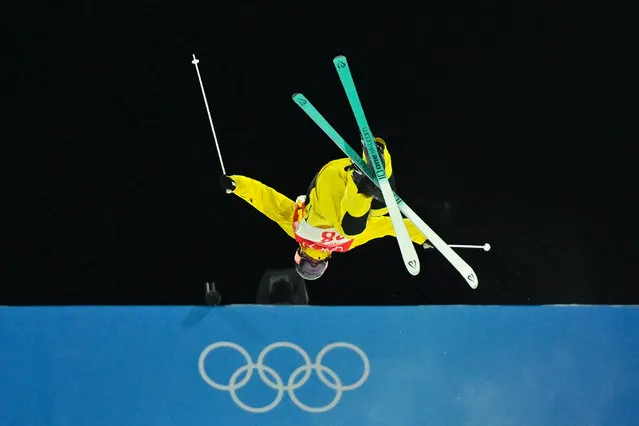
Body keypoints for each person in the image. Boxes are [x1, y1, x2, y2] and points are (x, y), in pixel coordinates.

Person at [219, 137, 429, 280]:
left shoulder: (297, 230)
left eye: (308, 266)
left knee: (352, 227)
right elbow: (389, 226)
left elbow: (268, 201)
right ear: (326, 264)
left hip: (329, 184)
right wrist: (424, 237)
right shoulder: (345, 246)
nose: (313, 264)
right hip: (345, 179)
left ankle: (362, 181)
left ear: (298, 256)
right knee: (382, 207)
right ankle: (377, 158)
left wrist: (238, 185)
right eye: (316, 268)